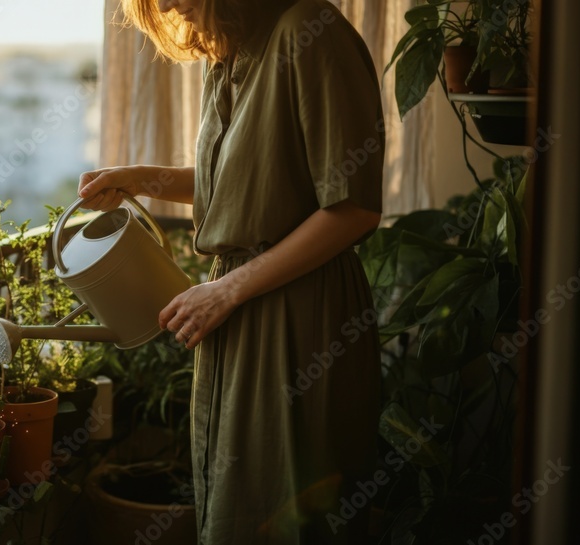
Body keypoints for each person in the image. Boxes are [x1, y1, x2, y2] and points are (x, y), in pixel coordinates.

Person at [77, 0, 384, 543]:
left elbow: (353, 208)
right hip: (238, 309)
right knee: (239, 506)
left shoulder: (310, 33)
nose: (169, 6)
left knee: (290, 510)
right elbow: (245, 182)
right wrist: (139, 178)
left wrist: (227, 290)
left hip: (299, 317)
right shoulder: (231, 50)